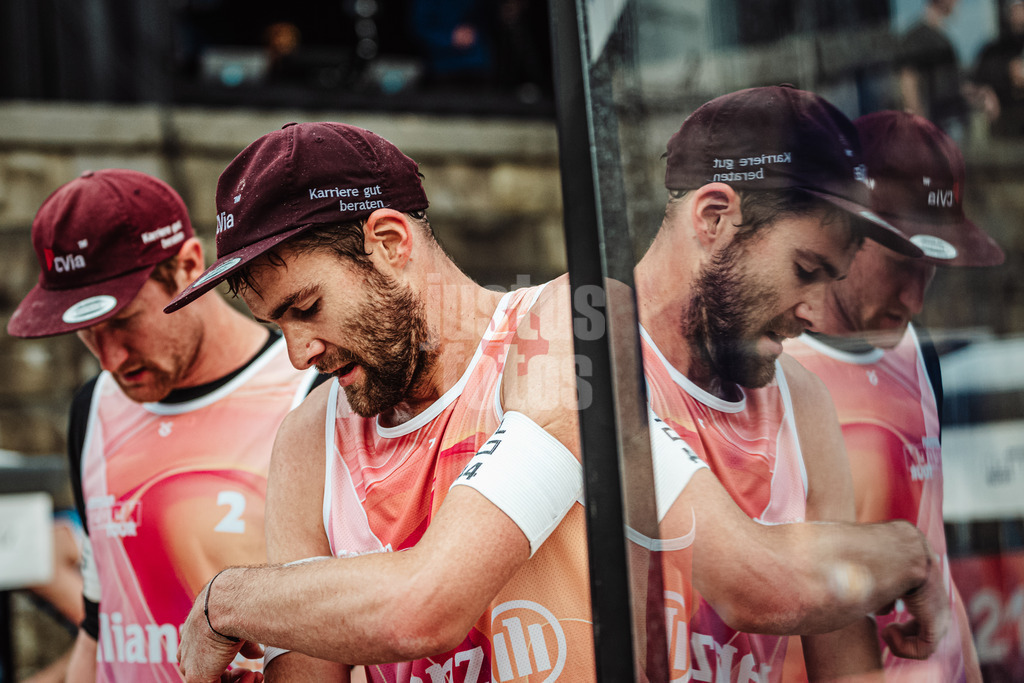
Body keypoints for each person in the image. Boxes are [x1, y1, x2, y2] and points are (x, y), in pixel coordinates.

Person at [169, 120, 951, 683]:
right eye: (276, 325)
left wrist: (225, 602)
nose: (298, 353)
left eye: (305, 308)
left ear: (389, 242)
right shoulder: (309, 438)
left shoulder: (564, 330)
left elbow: (426, 605)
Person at [633, 85, 943, 680]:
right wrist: (905, 553)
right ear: (714, 217)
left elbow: (844, 663)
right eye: (805, 271)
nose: (817, 313)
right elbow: (751, 583)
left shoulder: (801, 400)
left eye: (832, 280)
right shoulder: (582, 357)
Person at [6, 168, 320, 682]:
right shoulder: (94, 408)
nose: (108, 358)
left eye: (124, 322)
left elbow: (363, 632)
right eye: (87, 333)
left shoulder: (308, 393)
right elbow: (98, 623)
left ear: (189, 267)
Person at [784, 110, 1004, 682]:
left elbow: (934, 550)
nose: (914, 299)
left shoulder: (915, 349)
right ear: (843, 231)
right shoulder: (770, 363)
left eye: (930, 270)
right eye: (902, 263)